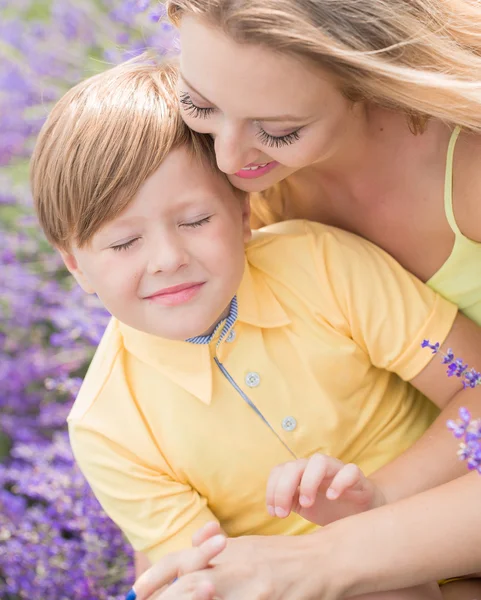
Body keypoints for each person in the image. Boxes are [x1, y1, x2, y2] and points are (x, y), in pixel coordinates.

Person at [30, 55, 481, 599]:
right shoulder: (109, 426)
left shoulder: (321, 264)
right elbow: (200, 582)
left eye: (196, 221)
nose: (168, 259)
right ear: (76, 266)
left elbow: (474, 385)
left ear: (245, 216)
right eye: (124, 243)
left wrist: (376, 501)